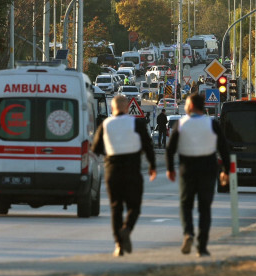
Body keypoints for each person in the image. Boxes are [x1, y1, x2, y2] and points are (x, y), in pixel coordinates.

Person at [91, 95, 157, 257]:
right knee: (134, 206)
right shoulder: (137, 123)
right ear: (127, 108)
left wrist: (107, 153)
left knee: (116, 207)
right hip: (132, 169)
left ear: (112, 109)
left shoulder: (106, 124)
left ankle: (119, 245)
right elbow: (148, 145)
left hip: (112, 169)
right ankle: (127, 229)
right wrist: (152, 166)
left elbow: (96, 149)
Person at [166, 93, 230, 257]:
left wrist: (170, 169)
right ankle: (202, 247)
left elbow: (171, 148)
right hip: (208, 168)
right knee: (205, 208)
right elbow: (223, 148)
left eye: (186, 104)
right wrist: (226, 171)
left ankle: (188, 233)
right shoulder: (212, 124)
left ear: (192, 106)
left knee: (185, 205)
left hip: (187, 168)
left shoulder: (181, 124)